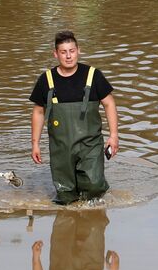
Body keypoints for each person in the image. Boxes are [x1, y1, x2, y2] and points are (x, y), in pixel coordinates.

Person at [30, 31, 119, 205]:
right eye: (63, 52)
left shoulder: (93, 76)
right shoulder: (46, 80)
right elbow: (38, 112)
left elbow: (109, 104)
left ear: (79, 50)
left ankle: (92, 219)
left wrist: (114, 135)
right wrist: (35, 143)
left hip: (90, 144)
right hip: (61, 147)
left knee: (94, 187)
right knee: (65, 195)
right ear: (56, 54)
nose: (68, 56)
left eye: (72, 50)